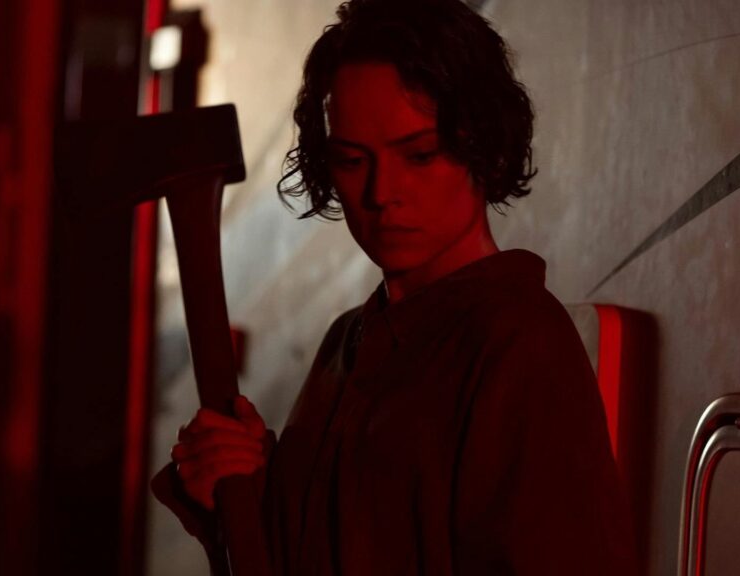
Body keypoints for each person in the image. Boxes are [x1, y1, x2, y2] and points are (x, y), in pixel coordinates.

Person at [155, 0, 637, 574]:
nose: (383, 193)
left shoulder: (520, 345)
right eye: (353, 161)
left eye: (420, 155)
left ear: (485, 148)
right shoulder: (345, 344)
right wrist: (243, 488)